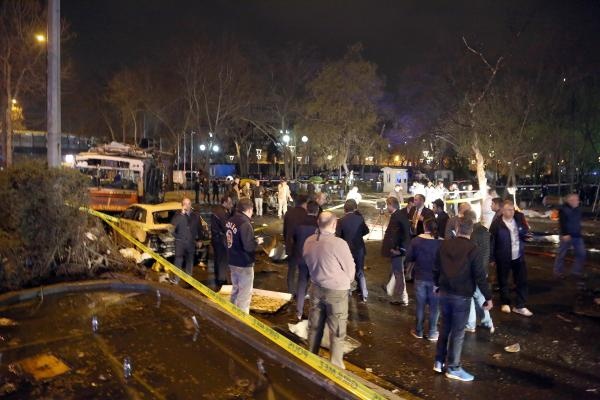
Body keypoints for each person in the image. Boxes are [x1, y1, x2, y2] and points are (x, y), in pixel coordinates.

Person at [433, 216, 493, 382]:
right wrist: (488, 297)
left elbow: (436, 267)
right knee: (458, 332)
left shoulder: (444, 245)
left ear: (457, 228)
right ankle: (453, 367)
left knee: (445, 328)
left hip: (445, 292)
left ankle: (439, 361)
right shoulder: (473, 249)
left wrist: (436, 285)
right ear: (471, 230)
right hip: (462, 296)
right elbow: (479, 276)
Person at [303, 211, 355, 369]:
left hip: (316, 288)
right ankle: (335, 365)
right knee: (337, 330)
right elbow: (350, 271)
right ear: (334, 224)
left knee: (314, 326)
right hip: (336, 292)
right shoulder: (338, 244)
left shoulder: (309, 241)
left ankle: (310, 359)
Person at [489, 199, 533, 317]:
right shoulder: (497, 224)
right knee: (503, 280)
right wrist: (492, 258)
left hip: (518, 256)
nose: (511, 212)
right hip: (503, 257)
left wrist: (526, 236)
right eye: (508, 210)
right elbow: (492, 242)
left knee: (521, 281)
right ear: (502, 211)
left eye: (512, 209)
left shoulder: (519, 219)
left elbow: (525, 231)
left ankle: (520, 305)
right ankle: (505, 302)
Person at [405, 218, 441, 341]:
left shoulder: (416, 241)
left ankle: (418, 331)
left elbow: (409, 258)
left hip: (420, 277)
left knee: (420, 305)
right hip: (436, 280)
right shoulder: (441, 243)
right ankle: (432, 332)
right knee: (434, 307)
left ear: (425, 227)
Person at [226, 198, 263, 313]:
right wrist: (257, 241)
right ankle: (242, 320)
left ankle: (231, 313)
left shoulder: (230, 220)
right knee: (244, 295)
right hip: (244, 262)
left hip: (232, 260)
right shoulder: (245, 223)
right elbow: (248, 246)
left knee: (235, 289)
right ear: (249, 209)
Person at [463, 210, 494, 334]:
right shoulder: (485, 231)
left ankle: (471, 324)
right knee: (480, 296)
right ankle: (487, 322)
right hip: (483, 269)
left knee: (470, 296)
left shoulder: (473, 234)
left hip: (475, 270)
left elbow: (470, 253)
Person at [336, 199, 370, 302]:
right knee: (360, 271)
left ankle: (348, 292)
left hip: (346, 250)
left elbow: (338, 236)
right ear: (355, 208)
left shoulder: (341, 221)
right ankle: (364, 294)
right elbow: (366, 231)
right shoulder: (359, 219)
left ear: (344, 209)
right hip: (359, 248)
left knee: (346, 271)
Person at [293, 201, 320, 320]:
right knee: (316, 284)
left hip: (301, 257)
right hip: (314, 259)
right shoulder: (318, 225)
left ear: (307, 209)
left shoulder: (299, 223)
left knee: (302, 282)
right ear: (317, 211)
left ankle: (299, 312)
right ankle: (314, 314)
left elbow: (294, 238)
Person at [381, 197, 410, 305]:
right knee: (396, 272)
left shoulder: (398, 216)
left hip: (398, 251)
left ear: (391, 205)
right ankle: (392, 291)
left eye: (387, 205)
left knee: (398, 274)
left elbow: (405, 234)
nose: (386, 207)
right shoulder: (398, 215)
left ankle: (402, 298)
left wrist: (400, 249)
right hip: (397, 250)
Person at [171, 198, 205, 283]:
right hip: (180, 243)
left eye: (188, 204)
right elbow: (173, 226)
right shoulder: (177, 215)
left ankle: (188, 279)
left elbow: (200, 228)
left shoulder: (196, 215)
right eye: (185, 204)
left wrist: (200, 239)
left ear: (191, 205)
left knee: (190, 260)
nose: (187, 206)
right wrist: (182, 214)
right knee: (178, 261)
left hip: (190, 242)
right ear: (182, 205)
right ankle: (176, 279)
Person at [554, 193, 586, 279]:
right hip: (567, 235)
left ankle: (576, 271)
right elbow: (562, 222)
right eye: (576, 200)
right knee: (561, 254)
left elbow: (586, 215)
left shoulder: (578, 209)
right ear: (570, 201)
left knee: (581, 254)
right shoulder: (563, 210)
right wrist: (565, 234)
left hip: (577, 235)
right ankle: (558, 272)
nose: (578, 201)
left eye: (578, 200)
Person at [283, 195, 308, 297]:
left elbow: (285, 231)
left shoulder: (288, 213)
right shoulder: (306, 214)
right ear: (304, 203)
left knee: (291, 270)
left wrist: (287, 242)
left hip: (291, 245)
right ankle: (301, 293)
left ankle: (290, 291)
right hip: (303, 246)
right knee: (303, 271)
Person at [211, 195, 233, 286]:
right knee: (222, 260)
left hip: (217, 240)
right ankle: (221, 280)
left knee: (218, 259)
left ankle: (218, 278)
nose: (231, 205)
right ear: (224, 202)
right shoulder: (221, 213)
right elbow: (226, 227)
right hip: (220, 240)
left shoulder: (220, 210)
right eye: (229, 203)